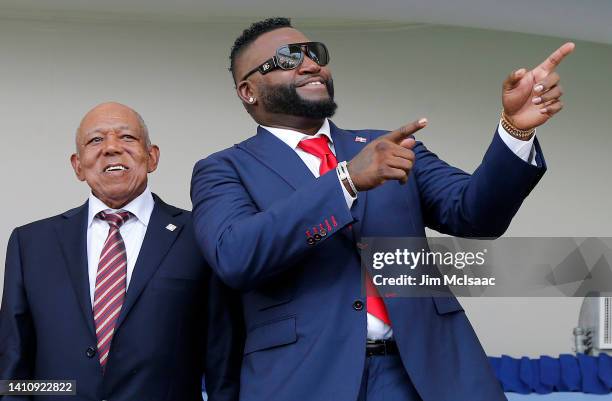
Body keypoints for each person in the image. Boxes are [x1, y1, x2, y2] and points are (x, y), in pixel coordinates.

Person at [190, 18, 574, 401]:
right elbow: (236, 255)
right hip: (305, 380)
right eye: (289, 59)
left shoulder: (388, 147)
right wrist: (345, 181)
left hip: (423, 375)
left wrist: (515, 130)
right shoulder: (223, 169)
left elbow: (475, 214)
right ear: (249, 90)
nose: (311, 65)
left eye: (315, 54)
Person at [0, 102, 242, 401]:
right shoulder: (31, 243)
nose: (111, 147)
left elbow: (223, 355)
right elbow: (14, 363)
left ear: (151, 157)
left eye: (127, 137)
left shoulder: (199, 234)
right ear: (78, 165)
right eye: (95, 140)